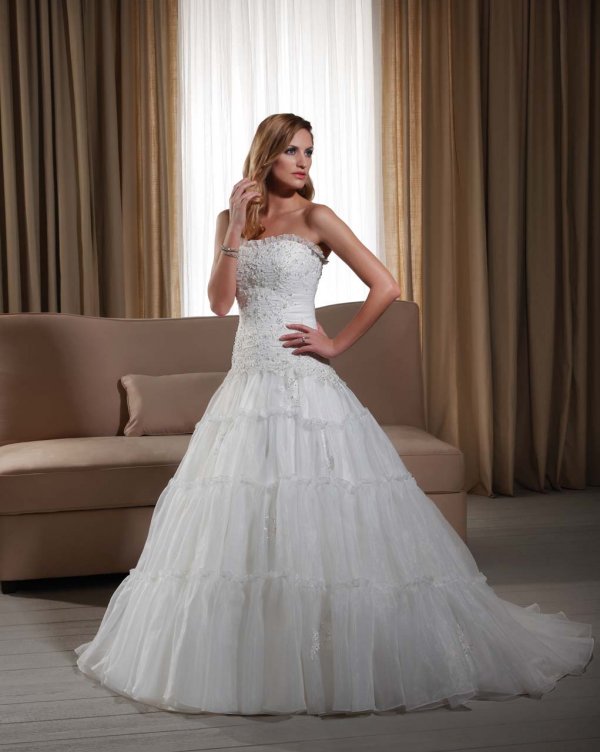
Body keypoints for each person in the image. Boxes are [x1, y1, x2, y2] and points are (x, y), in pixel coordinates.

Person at [74, 113, 594, 716]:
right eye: (292, 151)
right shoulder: (232, 220)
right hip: (247, 386)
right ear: (266, 154)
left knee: (324, 508)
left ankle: (334, 647)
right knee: (247, 515)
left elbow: (386, 284)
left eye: (309, 152)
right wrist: (234, 228)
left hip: (306, 386)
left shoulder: (318, 218)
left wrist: (335, 344)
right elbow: (219, 304)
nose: (303, 163)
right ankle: (265, 648)